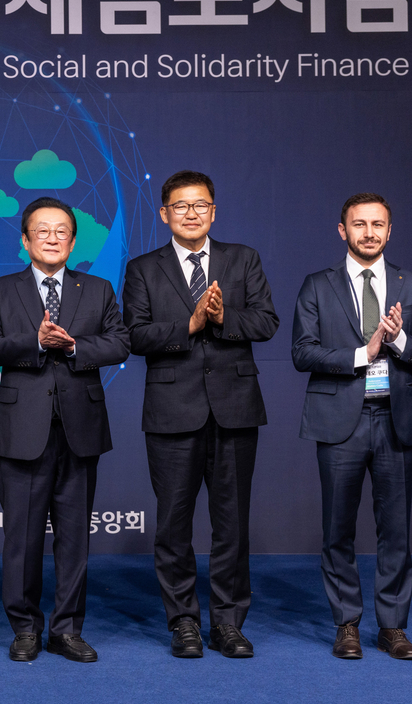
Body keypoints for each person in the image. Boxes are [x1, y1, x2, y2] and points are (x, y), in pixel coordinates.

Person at [121, 170, 278, 659]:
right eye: (181, 206)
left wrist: (223, 318)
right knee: (173, 525)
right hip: (171, 412)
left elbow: (267, 321)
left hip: (234, 411)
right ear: (164, 213)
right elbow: (135, 334)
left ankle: (228, 623)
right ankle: (183, 621)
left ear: (214, 210)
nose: (191, 213)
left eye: (201, 205)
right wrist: (189, 324)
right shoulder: (143, 268)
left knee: (231, 525)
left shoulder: (242, 259)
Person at [0, 197, 130, 663]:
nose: (52, 237)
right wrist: (35, 343)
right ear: (25, 240)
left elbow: (121, 341)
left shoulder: (98, 288)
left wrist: (75, 346)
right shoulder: (1, 290)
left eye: (61, 231)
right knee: (21, 538)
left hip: (79, 429)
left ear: (73, 240)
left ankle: (67, 629)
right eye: (41, 231)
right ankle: (24, 628)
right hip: (22, 430)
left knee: (74, 537)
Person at [291, 193, 412, 660]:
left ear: (390, 230)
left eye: (378, 224)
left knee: (395, 530)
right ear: (343, 231)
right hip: (341, 421)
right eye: (359, 224)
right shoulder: (317, 285)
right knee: (338, 529)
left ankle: (393, 627)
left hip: (396, 421)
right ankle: (347, 625)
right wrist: (364, 353)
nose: (369, 232)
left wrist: (399, 341)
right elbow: (303, 352)